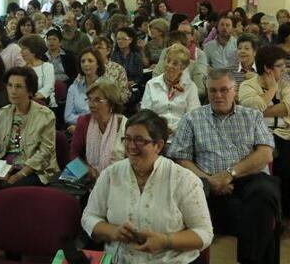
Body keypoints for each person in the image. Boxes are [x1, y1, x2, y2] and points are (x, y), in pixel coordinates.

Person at [168, 69, 279, 264]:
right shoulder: (192, 119)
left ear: (234, 90)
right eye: (212, 91)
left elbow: (265, 153)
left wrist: (230, 174)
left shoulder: (252, 116)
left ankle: (249, 260)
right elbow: (180, 158)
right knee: (259, 214)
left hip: (247, 178)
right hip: (206, 181)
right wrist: (209, 180)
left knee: (265, 191)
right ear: (207, 91)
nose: (218, 95)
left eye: (224, 90)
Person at [82, 109, 213, 264]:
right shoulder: (111, 174)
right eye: (127, 139)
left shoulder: (183, 180)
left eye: (139, 140)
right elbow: (89, 217)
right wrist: (114, 232)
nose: (131, 146)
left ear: (158, 146)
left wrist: (165, 240)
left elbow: (204, 233)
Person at [0, 66, 59, 186]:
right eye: (10, 85)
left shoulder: (45, 116)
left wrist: (19, 175)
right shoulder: (3, 113)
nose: (13, 91)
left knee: (11, 187)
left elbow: (45, 153)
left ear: (30, 90)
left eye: (18, 86)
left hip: (35, 170)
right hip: (5, 167)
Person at [239, 45, 290, 220]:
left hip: (284, 133)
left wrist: (263, 110)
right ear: (268, 68)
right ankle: (274, 215)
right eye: (280, 66)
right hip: (258, 135)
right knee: (278, 160)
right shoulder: (247, 85)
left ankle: (285, 214)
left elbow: (288, 106)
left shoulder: (286, 83)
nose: (284, 69)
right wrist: (272, 90)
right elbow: (251, 108)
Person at [70, 80, 127, 182]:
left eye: (97, 100)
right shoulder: (83, 122)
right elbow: (73, 155)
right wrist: (86, 170)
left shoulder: (126, 126)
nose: (91, 105)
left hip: (120, 180)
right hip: (91, 181)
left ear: (111, 104)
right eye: (89, 99)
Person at [142, 44, 200, 134]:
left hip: (182, 134)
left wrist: (175, 130)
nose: (169, 66)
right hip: (155, 133)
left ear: (183, 67)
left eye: (175, 63)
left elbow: (194, 116)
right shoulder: (152, 84)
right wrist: (160, 129)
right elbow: (145, 113)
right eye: (168, 61)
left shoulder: (190, 87)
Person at [152, 28, 208, 101]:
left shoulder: (193, 66)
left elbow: (201, 91)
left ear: (185, 48)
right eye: (172, 47)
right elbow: (153, 86)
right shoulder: (161, 65)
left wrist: (183, 92)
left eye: (178, 47)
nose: (175, 51)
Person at [65, 48, 105, 133]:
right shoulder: (74, 88)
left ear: (98, 64)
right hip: (78, 129)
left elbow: (107, 115)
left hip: (101, 129)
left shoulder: (106, 87)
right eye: (83, 61)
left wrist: (82, 125)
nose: (86, 64)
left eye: (90, 61)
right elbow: (68, 116)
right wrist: (83, 124)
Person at [18, 34, 56, 107]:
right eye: (21, 49)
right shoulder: (21, 69)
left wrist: (30, 98)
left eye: (24, 48)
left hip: (46, 106)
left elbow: (49, 87)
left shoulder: (47, 67)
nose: (21, 52)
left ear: (34, 49)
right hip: (24, 104)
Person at [93, 36, 130, 104]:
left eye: (99, 48)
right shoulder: (88, 68)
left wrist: (110, 100)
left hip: (112, 107)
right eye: (94, 48)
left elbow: (125, 95)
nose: (95, 51)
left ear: (108, 51)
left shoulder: (118, 69)